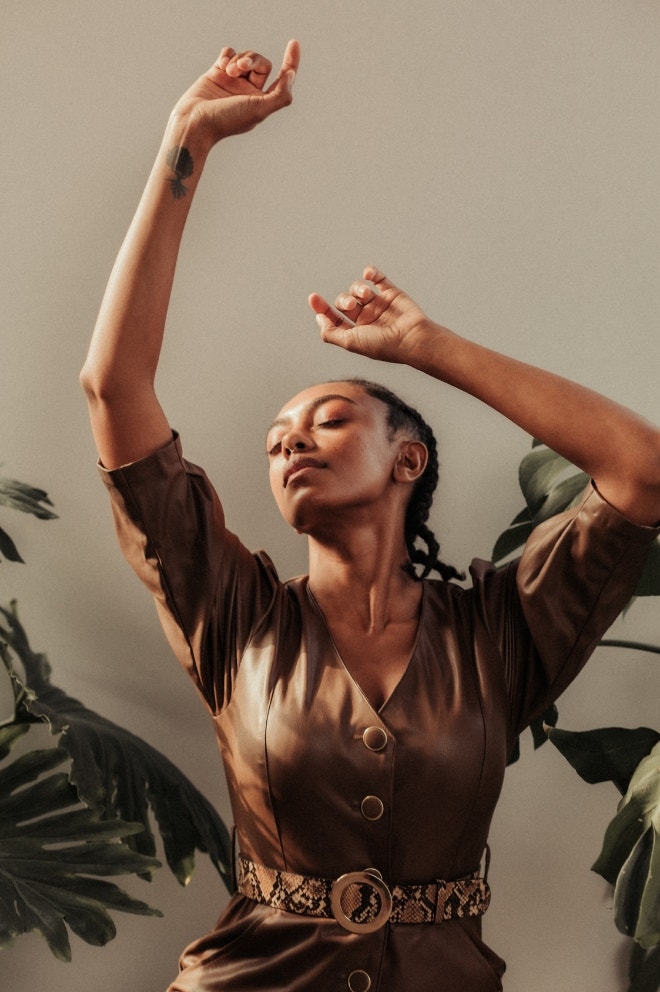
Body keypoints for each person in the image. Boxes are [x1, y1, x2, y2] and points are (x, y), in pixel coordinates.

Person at [80, 39, 660, 992]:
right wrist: (187, 140)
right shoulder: (235, 617)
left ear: (409, 458)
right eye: (274, 442)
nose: (291, 443)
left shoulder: (500, 633)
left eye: (328, 419)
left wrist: (428, 349)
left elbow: (638, 471)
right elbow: (113, 387)